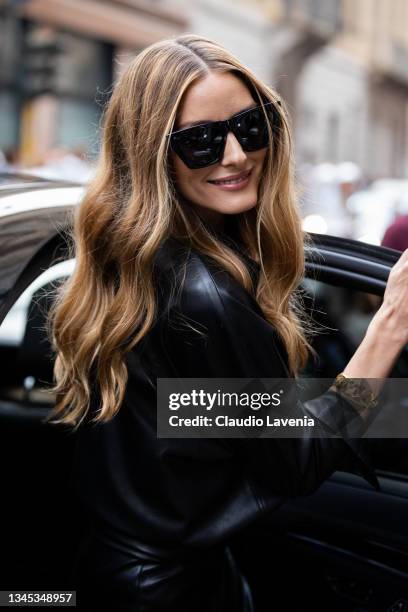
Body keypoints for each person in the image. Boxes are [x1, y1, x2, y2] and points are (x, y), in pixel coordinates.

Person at [45, 34, 408, 611]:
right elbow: (298, 459)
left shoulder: (138, 265)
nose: (236, 154)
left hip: (116, 573)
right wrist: (391, 324)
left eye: (250, 125)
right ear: (153, 154)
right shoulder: (204, 295)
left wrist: (389, 408)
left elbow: (197, 414)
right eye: (201, 142)